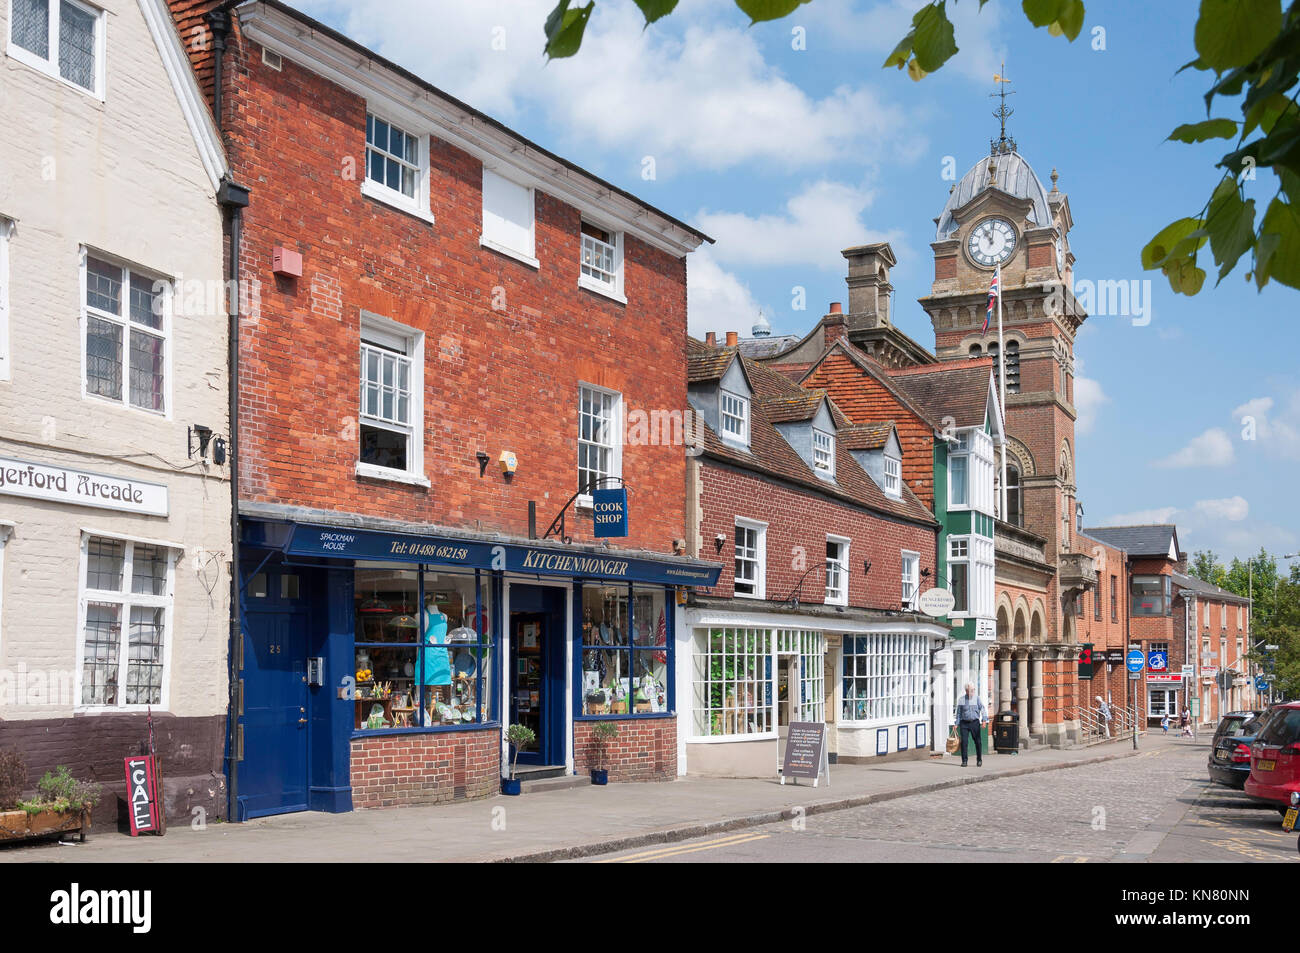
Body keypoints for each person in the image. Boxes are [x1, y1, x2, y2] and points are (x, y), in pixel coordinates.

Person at [953, 683, 988, 767]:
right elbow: (959, 713)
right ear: (966, 691)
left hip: (974, 722)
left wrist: (984, 720)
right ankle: (964, 761)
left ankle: (979, 760)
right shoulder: (961, 700)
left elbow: (982, 709)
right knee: (964, 742)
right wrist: (956, 724)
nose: (972, 692)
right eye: (971, 691)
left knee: (978, 742)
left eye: (973, 690)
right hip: (964, 723)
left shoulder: (977, 699)